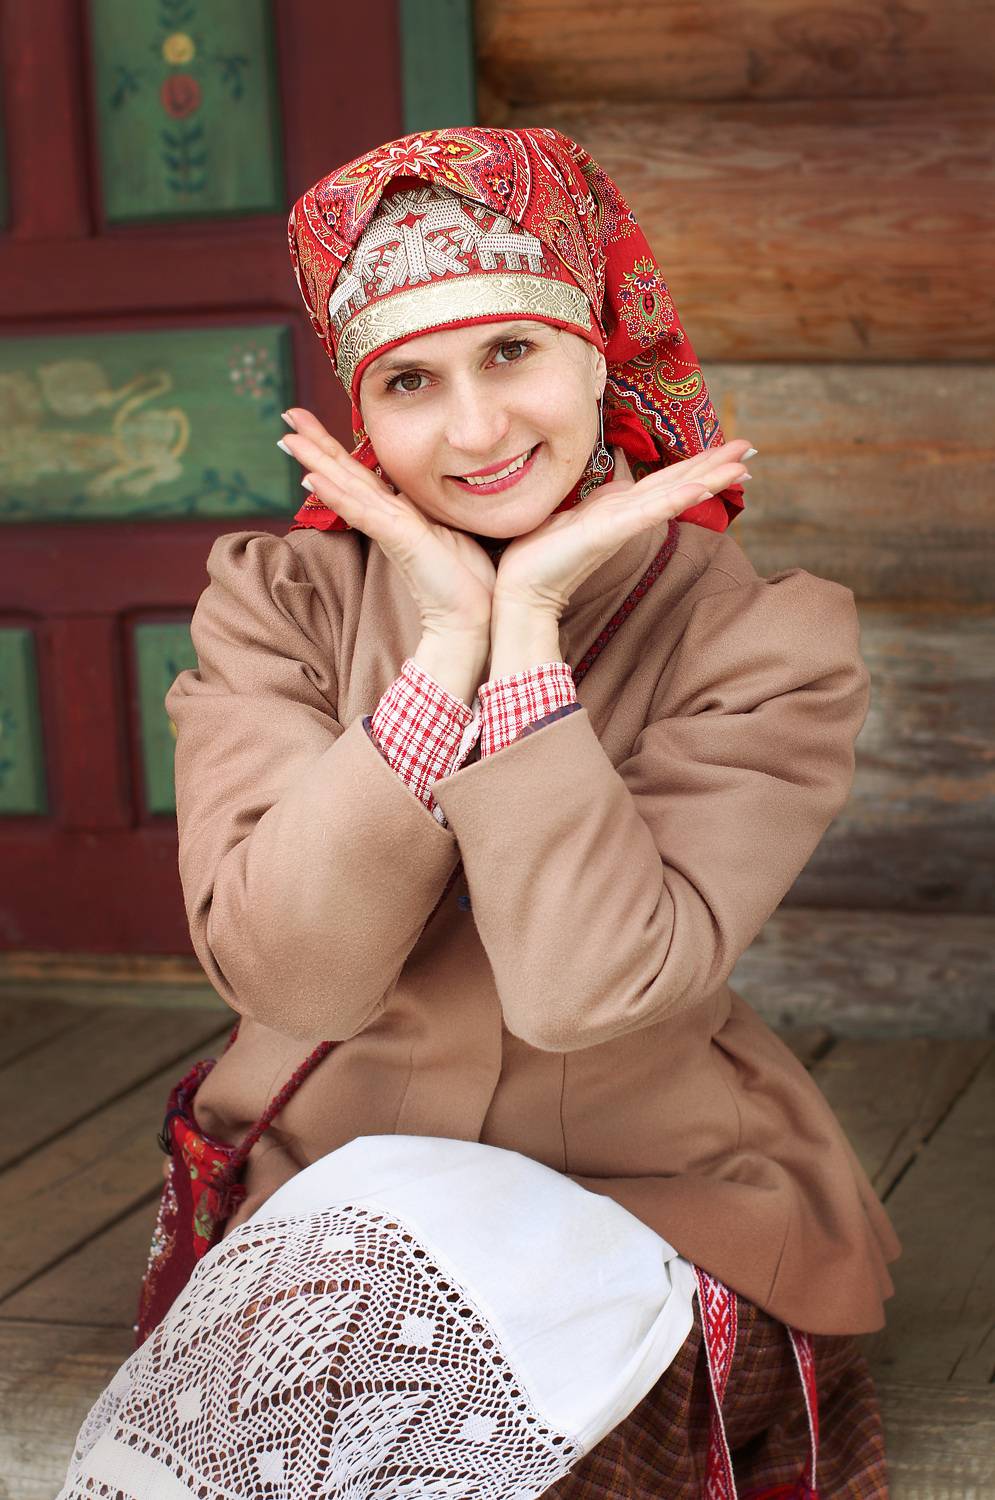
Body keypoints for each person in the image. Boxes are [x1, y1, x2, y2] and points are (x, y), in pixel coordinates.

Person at [58, 126, 900, 1499]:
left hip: (646, 1203)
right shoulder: (278, 604)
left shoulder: (763, 641)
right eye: (411, 380)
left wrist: (529, 646)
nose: (474, 431)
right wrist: (444, 647)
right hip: (326, 1213)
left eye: (512, 352)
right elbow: (295, 976)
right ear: (361, 411)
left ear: (599, 354)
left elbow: (586, 991)